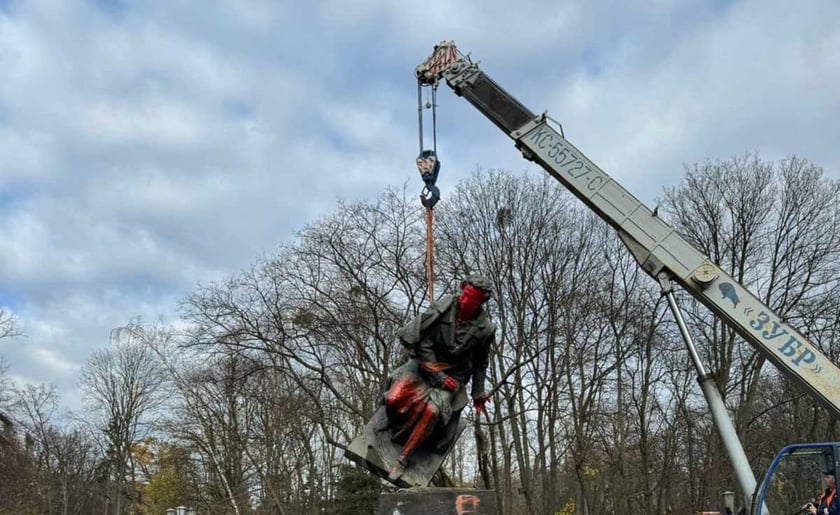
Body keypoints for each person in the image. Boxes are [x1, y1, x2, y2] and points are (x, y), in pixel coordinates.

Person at [381, 273, 496, 482]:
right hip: (425, 365)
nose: (465, 300)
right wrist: (437, 376)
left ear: (481, 302)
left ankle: (403, 458)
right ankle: (397, 429)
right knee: (393, 399)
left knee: (432, 412)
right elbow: (423, 344)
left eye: (472, 298)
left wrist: (478, 392)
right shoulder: (444, 307)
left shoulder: (485, 329)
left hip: (453, 376)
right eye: (465, 294)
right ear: (462, 289)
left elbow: (480, 363)